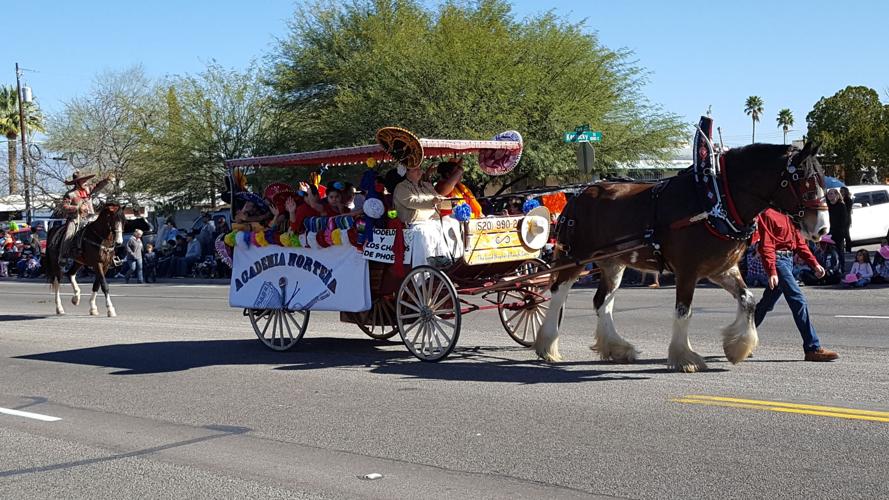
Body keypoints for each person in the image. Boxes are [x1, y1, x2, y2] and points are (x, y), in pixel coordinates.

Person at [752, 208, 838, 362]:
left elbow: (800, 244)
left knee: (766, 304)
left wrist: (815, 264)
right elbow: (767, 245)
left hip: (788, 260)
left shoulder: (790, 215)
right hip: (778, 262)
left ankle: (741, 339)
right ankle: (812, 348)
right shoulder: (768, 214)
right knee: (798, 300)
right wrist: (771, 270)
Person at [393, 162, 462, 267]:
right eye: (415, 169)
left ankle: (454, 259)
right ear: (406, 172)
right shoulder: (401, 188)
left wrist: (452, 203)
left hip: (433, 222)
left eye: (420, 168)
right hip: (414, 224)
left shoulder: (426, 185)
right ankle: (426, 268)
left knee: (452, 222)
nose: (419, 171)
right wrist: (432, 201)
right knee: (424, 232)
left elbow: (439, 200)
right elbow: (412, 202)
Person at [58, 170, 112, 267]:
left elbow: (98, 186)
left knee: (108, 230)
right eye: (83, 181)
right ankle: (63, 256)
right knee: (68, 234)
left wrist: (106, 180)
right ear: (77, 182)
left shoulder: (88, 189)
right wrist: (77, 208)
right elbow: (64, 207)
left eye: (86, 180)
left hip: (91, 218)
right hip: (76, 219)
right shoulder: (70, 194)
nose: (86, 182)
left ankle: (111, 254)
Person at [826, 188, 849, 270]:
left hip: (839, 232)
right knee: (828, 252)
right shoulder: (827, 206)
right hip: (829, 232)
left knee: (840, 251)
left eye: (831, 193)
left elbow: (844, 220)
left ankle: (842, 268)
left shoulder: (841, 205)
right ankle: (830, 268)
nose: (829, 195)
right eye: (828, 194)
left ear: (837, 195)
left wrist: (842, 232)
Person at [840, 186, 854, 253]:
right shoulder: (839, 199)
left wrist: (842, 202)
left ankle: (848, 249)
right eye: (840, 191)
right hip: (840, 220)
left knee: (846, 235)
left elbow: (847, 210)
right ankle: (841, 249)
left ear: (845, 192)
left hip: (846, 220)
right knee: (841, 235)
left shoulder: (848, 200)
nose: (841, 192)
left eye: (842, 191)